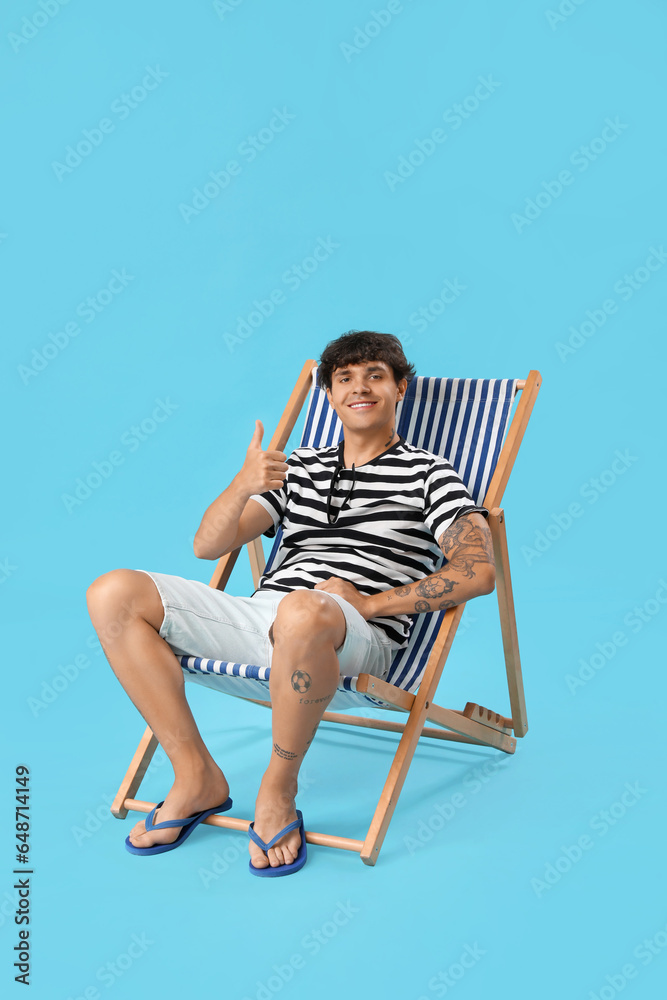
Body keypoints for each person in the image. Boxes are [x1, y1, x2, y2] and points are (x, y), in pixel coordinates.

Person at [86, 330, 496, 876]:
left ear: (400, 388)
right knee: (113, 591)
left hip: (353, 638)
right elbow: (208, 545)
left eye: (375, 375)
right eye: (344, 378)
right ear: (328, 394)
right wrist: (242, 485)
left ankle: (277, 790)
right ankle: (195, 776)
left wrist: (370, 604)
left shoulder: (430, 473)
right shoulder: (299, 468)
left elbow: (478, 570)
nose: (360, 387)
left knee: (305, 610)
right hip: (267, 619)